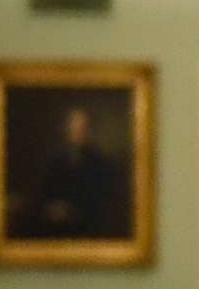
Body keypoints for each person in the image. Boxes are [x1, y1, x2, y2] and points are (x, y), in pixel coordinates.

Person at [18, 103, 128, 240]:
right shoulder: (55, 161)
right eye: (73, 127)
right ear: (67, 129)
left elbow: (103, 204)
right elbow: (40, 195)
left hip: (87, 232)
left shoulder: (103, 164)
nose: (77, 132)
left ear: (91, 131)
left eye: (82, 128)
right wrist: (50, 209)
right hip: (51, 231)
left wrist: (71, 212)